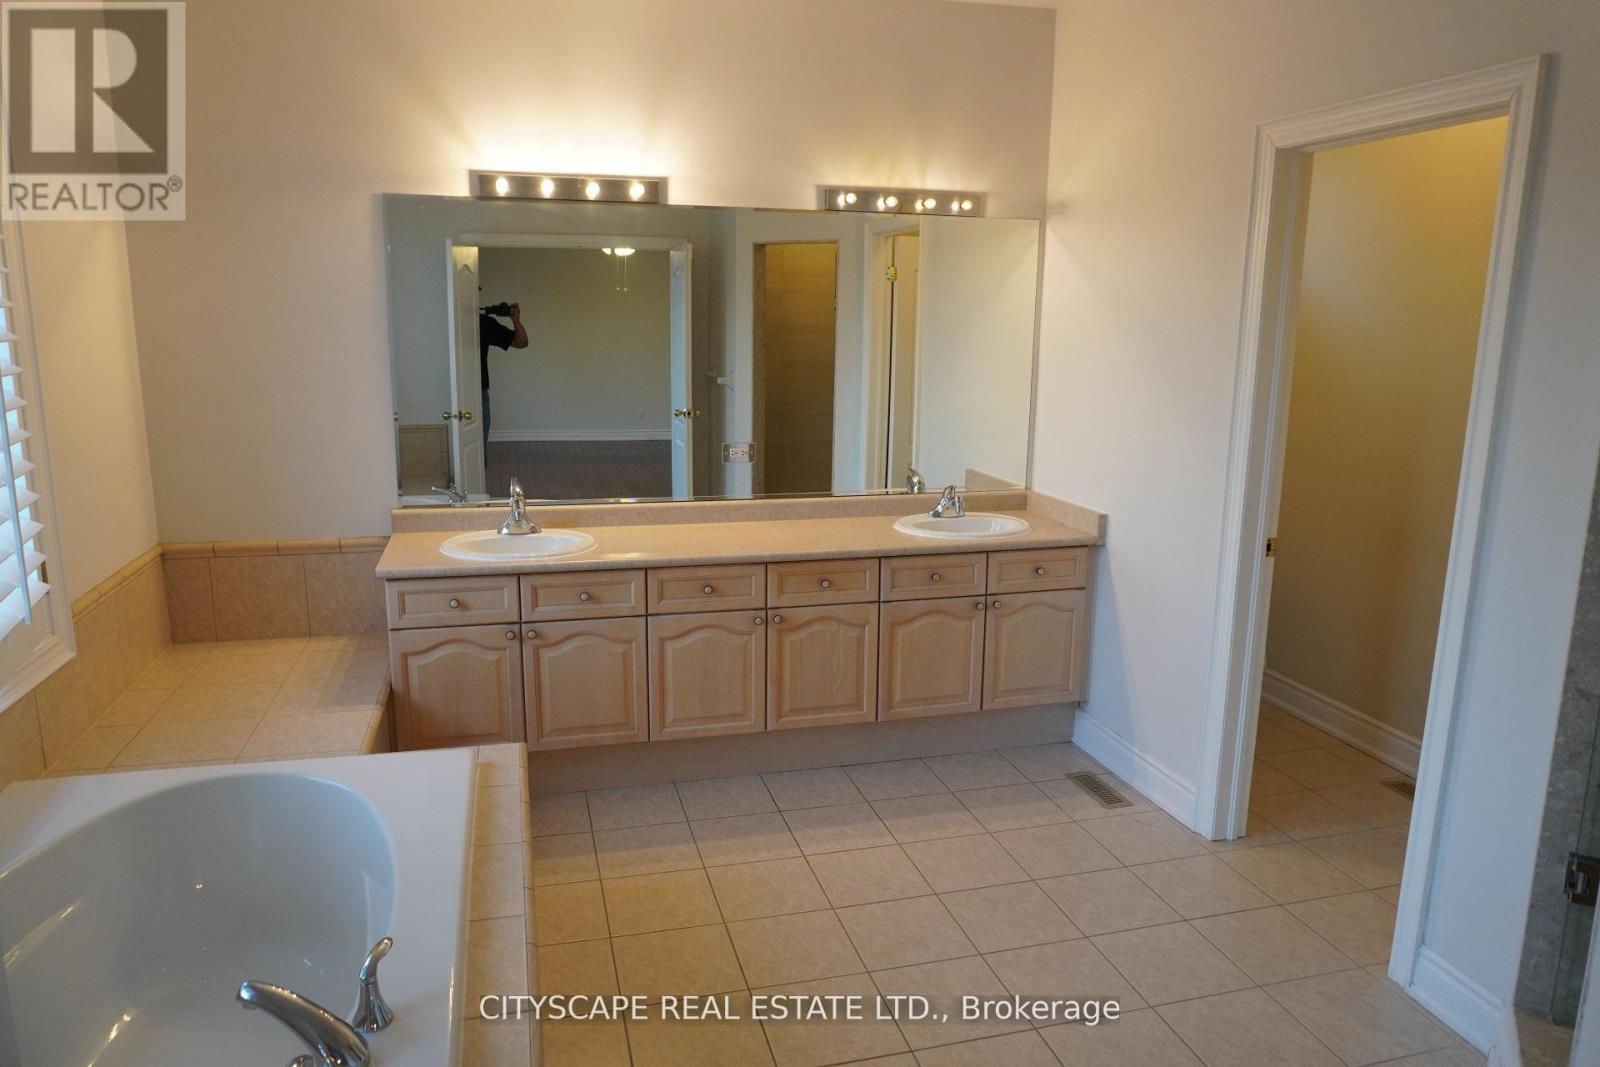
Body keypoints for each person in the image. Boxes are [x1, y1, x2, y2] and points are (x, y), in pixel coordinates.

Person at [478, 302, 529, 439]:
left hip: (478, 388)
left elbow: (521, 343)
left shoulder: (484, 323)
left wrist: (516, 321)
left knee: (478, 437)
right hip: (450, 388)